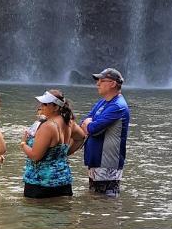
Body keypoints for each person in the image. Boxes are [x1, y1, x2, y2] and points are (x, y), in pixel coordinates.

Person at [20, 89, 85, 199]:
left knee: (34, 215)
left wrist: (23, 144)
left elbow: (35, 156)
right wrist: (64, 153)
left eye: (45, 104)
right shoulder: (69, 123)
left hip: (41, 184)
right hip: (63, 182)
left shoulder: (48, 126)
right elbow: (81, 138)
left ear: (56, 107)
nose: (41, 106)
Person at [81, 68, 130, 197]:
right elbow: (83, 123)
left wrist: (89, 124)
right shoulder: (103, 103)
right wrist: (88, 124)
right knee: (95, 201)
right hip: (96, 161)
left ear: (113, 84)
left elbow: (92, 128)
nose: (97, 84)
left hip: (107, 163)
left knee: (105, 204)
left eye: (102, 81)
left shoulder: (117, 106)